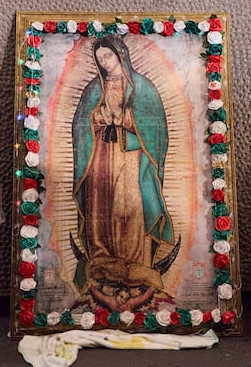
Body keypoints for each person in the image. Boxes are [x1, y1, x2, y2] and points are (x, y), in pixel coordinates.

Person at [70, 36, 175, 311]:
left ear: (121, 55)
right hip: (101, 156)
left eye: (109, 57)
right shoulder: (95, 88)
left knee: (128, 207)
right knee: (100, 209)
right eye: (100, 58)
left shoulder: (142, 88)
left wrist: (127, 119)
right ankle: (103, 261)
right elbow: (80, 126)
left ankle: (136, 264)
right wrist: (96, 118)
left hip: (131, 158)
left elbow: (157, 129)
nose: (104, 62)